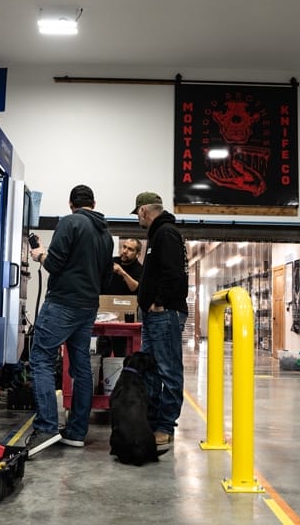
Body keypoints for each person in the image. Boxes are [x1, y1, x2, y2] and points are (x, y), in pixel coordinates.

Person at [26, 185, 114, 456]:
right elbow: (106, 277)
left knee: (40, 358)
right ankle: (76, 432)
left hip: (63, 302)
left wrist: (40, 254)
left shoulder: (70, 222)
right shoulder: (106, 234)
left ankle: (47, 428)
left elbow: (54, 264)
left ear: (70, 203)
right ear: (94, 202)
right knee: (81, 365)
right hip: (88, 306)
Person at [131, 191, 189, 451]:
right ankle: (153, 421)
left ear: (144, 211)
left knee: (168, 370)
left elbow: (174, 274)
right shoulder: (158, 234)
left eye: (138, 215)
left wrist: (158, 302)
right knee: (151, 370)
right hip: (156, 315)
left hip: (164, 314)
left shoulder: (165, 233)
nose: (138, 220)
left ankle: (165, 425)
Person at [98, 238, 144, 356]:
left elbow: (135, 287)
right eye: (124, 247)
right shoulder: (113, 262)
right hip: (106, 315)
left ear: (137, 254)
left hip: (125, 318)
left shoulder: (139, 269)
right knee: (102, 351)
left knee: (121, 353)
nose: (125, 251)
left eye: (130, 249)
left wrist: (122, 272)